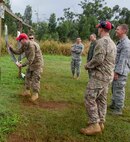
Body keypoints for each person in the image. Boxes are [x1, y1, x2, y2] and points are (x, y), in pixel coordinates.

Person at [80, 21, 116, 135]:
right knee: (101, 99)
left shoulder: (101, 42)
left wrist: (88, 65)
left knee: (89, 97)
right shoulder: (112, 43)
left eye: (98, 28)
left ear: (101, 29)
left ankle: (94, 124)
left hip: (100, 76)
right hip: (108, 76)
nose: (98, 30)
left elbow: (98, 59)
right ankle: (101, 122)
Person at [9, 33, 43, 102]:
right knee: (27, 77)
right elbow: (18, 51)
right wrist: (11, 49)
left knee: (35, 79)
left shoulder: (31, 46)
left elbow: (31, 59)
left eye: (20, 40)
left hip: (37, 64)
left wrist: (22, 65)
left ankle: (35, 94)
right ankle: (27, 91)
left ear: (24, 39)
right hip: (31, 64)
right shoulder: (24, 45)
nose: (19, 42)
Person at [109, 24, 130, 115]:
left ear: (123, 31)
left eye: (117, 29)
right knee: (114, 88)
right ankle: (114, 104)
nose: (116, 30)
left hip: (120, 71)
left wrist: (117, 72)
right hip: (116, 70)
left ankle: (118, 109)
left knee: (119, 90)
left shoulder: (126, 43)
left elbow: (123, 59)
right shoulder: (121, 42)